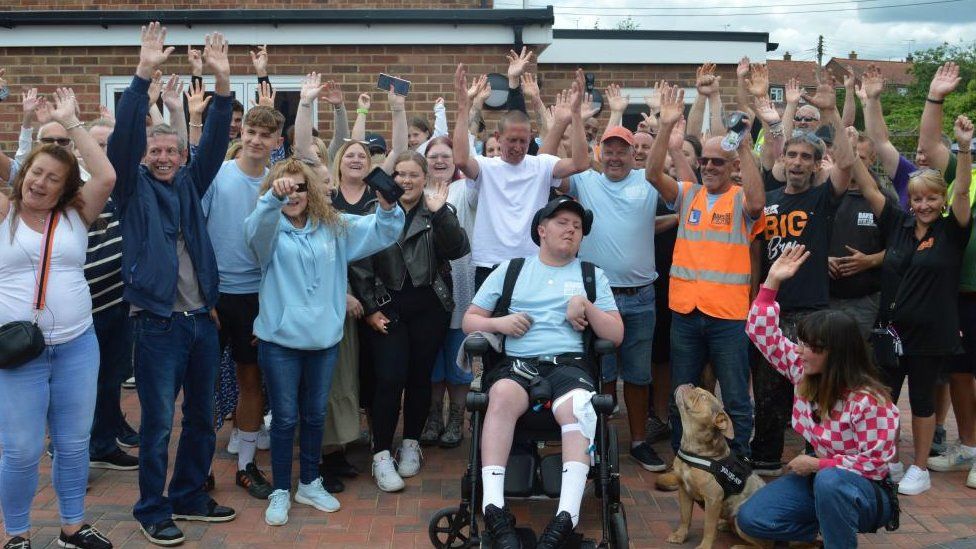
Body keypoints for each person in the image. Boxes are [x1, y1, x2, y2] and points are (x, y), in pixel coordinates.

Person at [108, 25, 237, 545]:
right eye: (155, 151)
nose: (163, 157)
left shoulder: (191, 181)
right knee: (158, 425)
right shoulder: (130, 191)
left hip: (200, 322)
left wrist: (224, 80)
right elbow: (120, 140)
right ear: (144, 156)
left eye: (171, 152)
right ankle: (151, 507)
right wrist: (141, 76)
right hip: (156, 326)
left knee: (202, 419)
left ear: (182, 157)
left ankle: (188, 495)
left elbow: (216, 138)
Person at [244, 158, 403, 526]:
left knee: (315, 416)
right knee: (285, 419)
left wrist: (388, 205)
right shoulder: (269, 227)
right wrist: (271, 199)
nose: (293, 194)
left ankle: (310, 483)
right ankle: (281, 489)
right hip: (280, 341)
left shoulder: (333, 225)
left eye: (300, 187)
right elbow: (253, 236)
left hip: (323, 340)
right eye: (284, 187)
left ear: (312, 190)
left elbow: (380, 230)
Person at [463, 197, 624, 548]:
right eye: (562, 222)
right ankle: (493, 507)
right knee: (501, 395)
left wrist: (586, 305)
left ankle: (566, 518)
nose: (571, 229)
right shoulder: (512, 270)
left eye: (577, 226)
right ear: (541, 230)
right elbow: (469, 320)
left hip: (569, 365)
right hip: (518, 365)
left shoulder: (590, 276)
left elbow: (614, 334)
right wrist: (499, 322)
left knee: (580, 406)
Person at [0, 87, 117, 549]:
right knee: (22, 450)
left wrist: (72, 123)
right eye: (36, 173)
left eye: (53, 178)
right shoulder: (5, 210)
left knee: (73, 444)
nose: (41, 183)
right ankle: (17, 534)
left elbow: (106, 174)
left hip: (76, 346)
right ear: (22, 172)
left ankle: (72, 527)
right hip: (17, 352)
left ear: (65, 187)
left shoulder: (76, 215)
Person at [738, 245, 898, 548]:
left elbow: (875, 464)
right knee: (752, 518)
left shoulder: (871, 401)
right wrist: (772, 280)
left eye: (808, 346)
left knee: (829, 481)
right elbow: (761, 333)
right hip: (822, 481)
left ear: (833, 353)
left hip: (865, 491)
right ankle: (825, 527)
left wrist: (818, 466)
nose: (798, 350)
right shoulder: (804, 372)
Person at [852, 114, 973, 496]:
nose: (923, 205)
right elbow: (867, 183)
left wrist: (965, 149)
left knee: (921, 400)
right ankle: (889, 458)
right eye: (917, 198)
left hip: (931, 333)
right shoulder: (898, 224)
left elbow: (963, 191)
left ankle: (918, 468)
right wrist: (844, 137)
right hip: (891, 331)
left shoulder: (952, 231)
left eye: (931, 198)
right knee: (885, 398)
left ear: (941, 200)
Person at [646, 83, 765, 467]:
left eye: (718, 161)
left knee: (733, 395)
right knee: (682, 394)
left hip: (727, 317)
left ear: (732, 166)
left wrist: (743, 147)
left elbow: (759, 202)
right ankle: (684, 462)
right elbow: (651, 174)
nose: (710, 166)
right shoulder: (689, 194)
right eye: (706, 162)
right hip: (685, 312)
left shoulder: (741, 201)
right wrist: (664, 129)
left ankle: (739, 463)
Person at [750, 75, 854, 476]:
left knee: (815, 393)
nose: (796, 162)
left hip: (810, 312)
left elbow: (846, 164)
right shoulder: (769, 199)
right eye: (791, 155)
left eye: (805, 157)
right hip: (773, 310)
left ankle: (818, 463)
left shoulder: (822, 198)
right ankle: (764, 463)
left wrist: (830, 111)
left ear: (814, 165)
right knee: (769, 394)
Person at [359, 150, 469, 491]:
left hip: (429, 305)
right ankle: (380, 454)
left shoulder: (438, 211)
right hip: (387, 306)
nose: (406, 181)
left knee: (419, 377)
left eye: (413, 175)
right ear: (392, 179)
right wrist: (369, 308)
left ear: (425, 180)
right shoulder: (374, 210)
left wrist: (439, 216)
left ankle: (410, 444)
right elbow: (359, 264)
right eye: (400, 175)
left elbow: (458, 249)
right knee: (389, 378)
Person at [562, 125, 665, 472]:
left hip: (640, 297)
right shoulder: (586, 182)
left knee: (638, 375)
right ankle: (600, 442)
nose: (615, 157)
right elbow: (558, 177)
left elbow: (679, 186)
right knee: (600, 373)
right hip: (598, 298)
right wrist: (572, 116)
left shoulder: (649, 182)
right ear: (599, 153)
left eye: (623, 150)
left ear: (635, 153)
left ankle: (638, 442)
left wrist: (665, 128)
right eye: (610, 150)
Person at [203, 104, 285, 500]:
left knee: (251, 381)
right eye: (250, 131)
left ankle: (246, 465)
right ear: (242, 132)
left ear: (276, 142)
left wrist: (270, 306)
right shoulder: (217, 176)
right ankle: (199, 467)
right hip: (215, 297)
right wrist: (204, 295)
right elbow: (195, 237)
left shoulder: (278, 184)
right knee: (200, 385)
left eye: (264, 135)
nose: (255, 140)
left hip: (257, 298)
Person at [451, 64, 590, 290]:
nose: (517, 147)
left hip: (533, 263)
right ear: (498, 136)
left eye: (523, 141)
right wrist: (462, 108)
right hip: (490, 265)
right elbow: (460, 160)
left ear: (530, 138)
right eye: (511, 140)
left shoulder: (541, 164)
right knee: (489, 325)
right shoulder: (486, 167)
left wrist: (575, 115)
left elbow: (580, 163)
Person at [421, 136, 479, 449]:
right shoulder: (417, 191)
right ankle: (434, 417)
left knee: (459, 357)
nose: (440, 161)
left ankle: (456, 417)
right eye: (434, 157)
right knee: (432, 358)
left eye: (446, 156)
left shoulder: (465, 190)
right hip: (427, 287)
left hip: (461, 282)